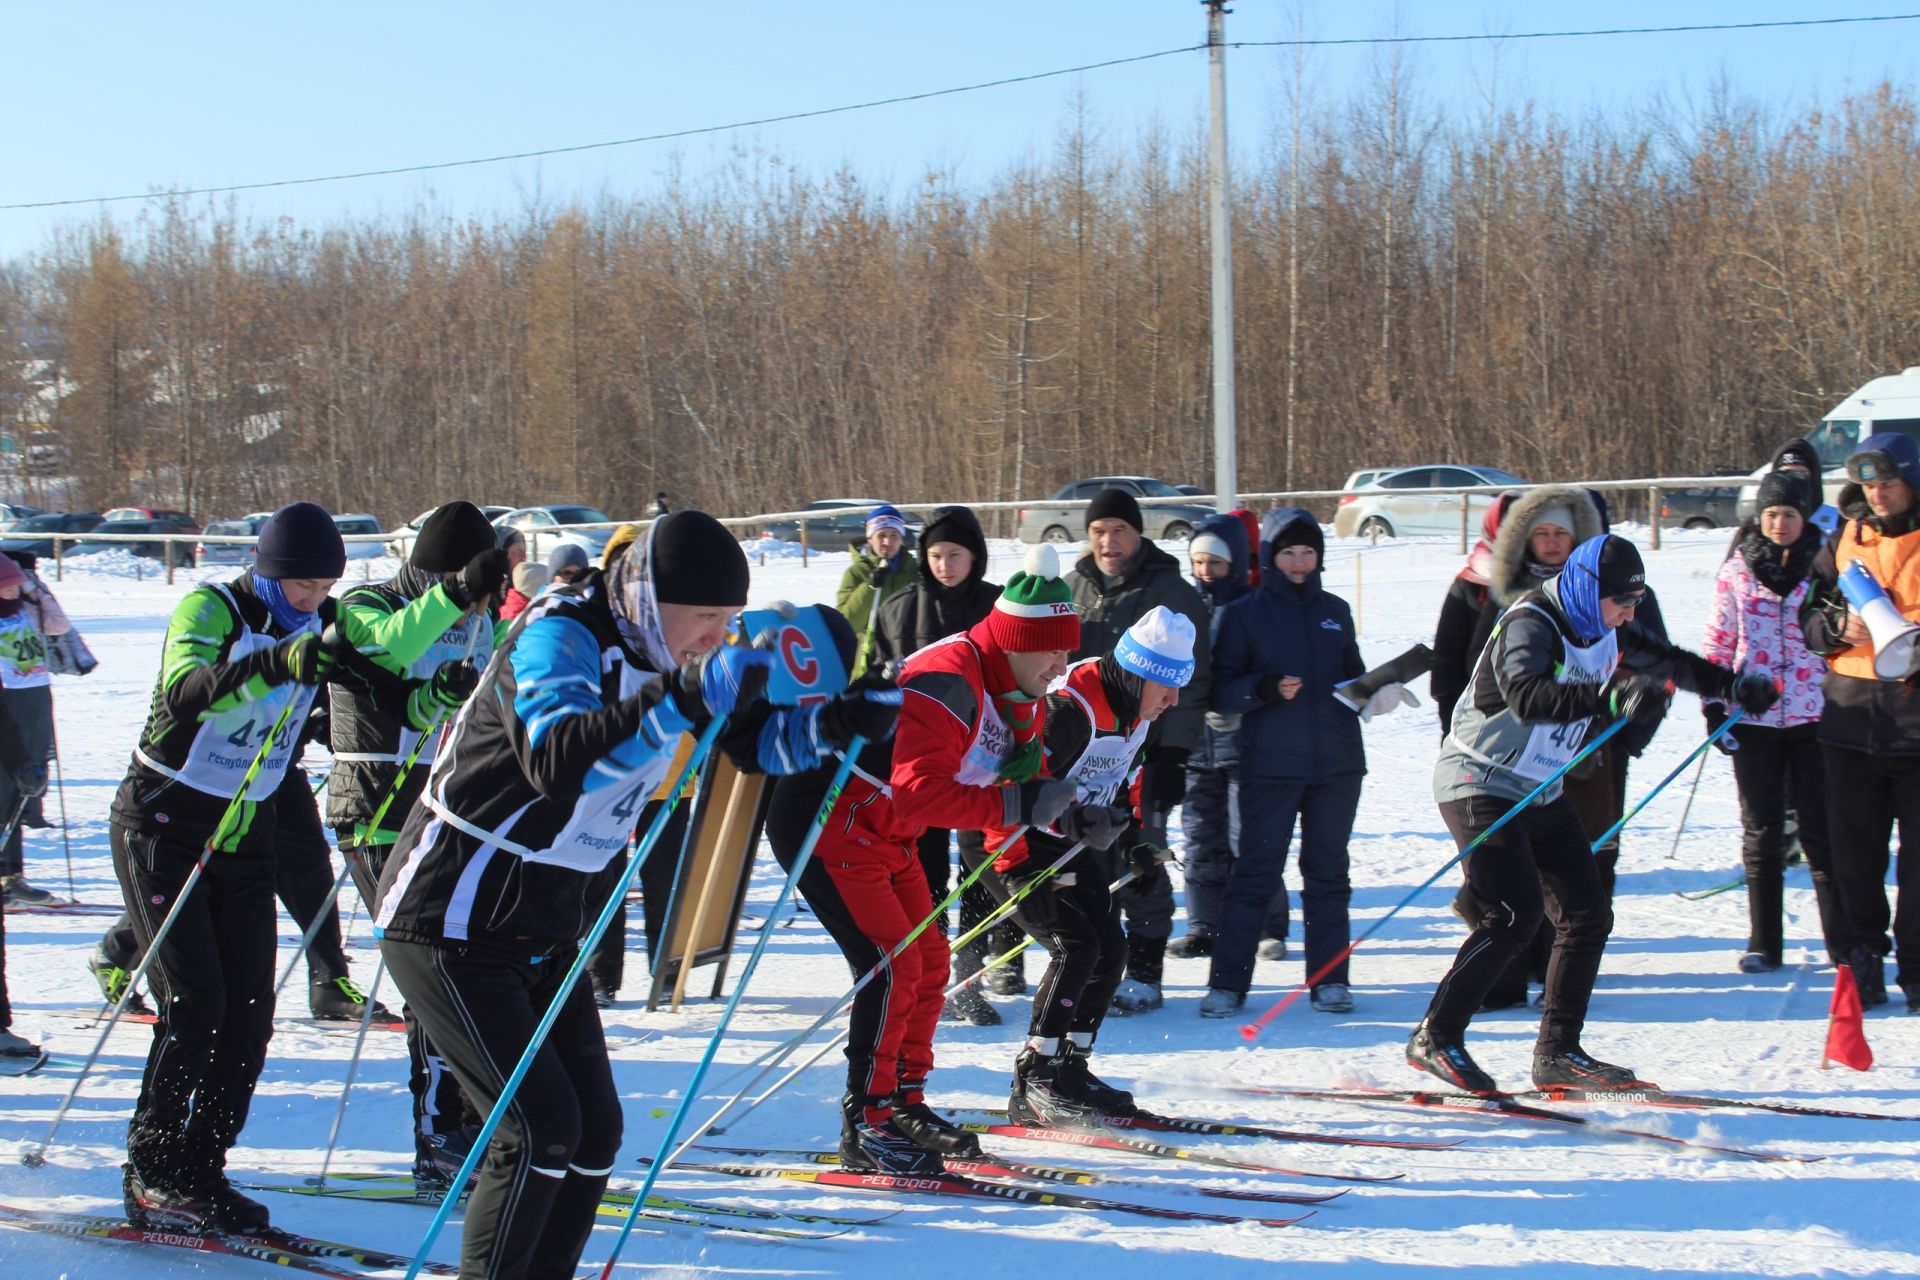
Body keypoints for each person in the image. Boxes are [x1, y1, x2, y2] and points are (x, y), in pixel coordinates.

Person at [373, 510, 899, 1280]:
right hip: (451, 914)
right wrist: (685, 698)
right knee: (538, 1130)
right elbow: (557, 758)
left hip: (545, 927)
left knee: (594, 1136)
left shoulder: (669, 652)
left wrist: (837, 724)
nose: (715, 636)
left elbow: (750, 745)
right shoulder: (563, 631)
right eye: (704, 618)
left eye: (729, 621)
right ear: (652, 597)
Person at [111, 502, 441, 1232]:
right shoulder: (215, 606)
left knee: (251, 1014)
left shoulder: (322, 623)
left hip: (246, 831)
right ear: (270, 570)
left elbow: (385, 688)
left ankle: (204, 1165)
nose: (315, 599)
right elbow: (184, 691)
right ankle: (153, 1169)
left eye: (327, 586)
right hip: (165, 821)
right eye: (303, 586)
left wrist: (434, 694)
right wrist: (277, 663)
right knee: (196, 1006)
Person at [1408, 533, 1779, 1093]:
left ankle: (1558, 1053)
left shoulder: (1602, 626)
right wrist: (1608, 701)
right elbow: (1527, 695)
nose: (1629, 614)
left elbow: (1671, 661)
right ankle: (1436, 1036)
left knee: (1587, 912)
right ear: (1587, 589)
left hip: (1540, 787)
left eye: (1635, 602)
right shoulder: (1532, 621)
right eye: (1621, 602)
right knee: (1513, 914)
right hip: (1479, 778)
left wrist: (1732, 686)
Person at [765, 544, 1090, 1176]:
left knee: (929, 960)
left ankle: (901, 1102)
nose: (1061, 666)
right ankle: (866, 1121)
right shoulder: (949, 681)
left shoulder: (1009, 686)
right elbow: (924, 789)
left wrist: (1072, 814)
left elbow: (1015, 774)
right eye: (1053, 651)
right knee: (889, 966)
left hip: (886, 829)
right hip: (830, 820)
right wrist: (1023, 802)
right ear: (1018, 641)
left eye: (1067, 651)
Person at [326, 499, 506, 1187]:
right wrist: (457, 595)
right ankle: (438, 1135)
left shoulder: (481, 620)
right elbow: (393, 646)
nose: (465, 611)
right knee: (432, 973)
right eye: (455, 590)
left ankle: (468, 1120)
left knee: (465, 969)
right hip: (375, 809)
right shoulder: (368, 603)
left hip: (449, 814)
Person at [1202, 508, 1414, 1016]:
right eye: (1288, 552)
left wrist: (1373, 694)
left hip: (1337, 766)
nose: (1298, 562)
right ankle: (1228, 984)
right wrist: (1264, 689)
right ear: (1270, 557)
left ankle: (1329, 981)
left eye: (1307, 552)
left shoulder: (1335, 610)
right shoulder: (1241, 613)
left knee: (1328, 875)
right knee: (1255, 872)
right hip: (1269, 766)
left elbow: (1351, 676)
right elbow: (1219, 691)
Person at [993, 606, 1192, 1122]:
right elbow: (1009, 787)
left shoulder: (1136, 714)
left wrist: (1136, 843)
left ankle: (1069, 1069)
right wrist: (1013, 865)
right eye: (1165, 687)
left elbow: (1125, 777)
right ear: (1134, 674)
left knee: (1110, 948)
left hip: (1067, 843)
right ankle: (1033, 1079)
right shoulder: (1071, 709)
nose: (1174, 701)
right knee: (1075, 946)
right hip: (1010, 842)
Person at [1432, 486, 1604, 1009]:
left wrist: (1623, 729)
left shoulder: (1605, 592)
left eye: (1561, 534)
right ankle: (1498, 983)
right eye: (1541, 533)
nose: (1551, 544)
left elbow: (1640, 662)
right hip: (1496, 756)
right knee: (1506, 887)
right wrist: (1457, 736)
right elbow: (1458, 669)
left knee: (1574, 881)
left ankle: (1553, 981)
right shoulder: (1496, 589)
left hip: (1578, 750)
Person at [1066, 487, 1211, 1015]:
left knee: (1141, 853)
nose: (1108, 541)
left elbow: (1192, 687)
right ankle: (1091, 966)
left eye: (1119, 530)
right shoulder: (1073, 586)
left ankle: (1147, 972)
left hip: (1146, 752)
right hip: (1082, 749)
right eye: (1099, 531)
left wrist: (1172, 755)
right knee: (1083, 861)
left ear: (1139, 532)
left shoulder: (1169, 592)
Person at [867, 504, 1013, 1026]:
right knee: (921, 872)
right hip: (920, 762)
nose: (945, 564)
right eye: (935, 555)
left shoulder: (999, 608)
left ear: (975, 556)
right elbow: (875, 681)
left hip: (985, 755)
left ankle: (971, 971)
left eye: (955, 554)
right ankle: (925, 973)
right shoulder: (898, 608)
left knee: (980, 867)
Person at [1701, 471, 1842, 973]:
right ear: (1758, 518)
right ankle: (1764, 942)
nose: (1780, 523)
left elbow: (1841, 636)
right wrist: (1715, 703)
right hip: (1754, 717)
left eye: (1789, 514)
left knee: (1822, 831)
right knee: (1761, 830)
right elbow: (1719, 640)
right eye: (1771, 514)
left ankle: (1841, 941)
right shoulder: (1737, 569)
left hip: (1815, 715)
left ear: (1805, 518)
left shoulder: (1826, 563)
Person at [1801, 433, 1920, 1013]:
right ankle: (1863, 957)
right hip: (1849, 722)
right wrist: (1833, 629)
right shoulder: (1844, 536)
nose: (1877, 494)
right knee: (1855, 855)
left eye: (1888, 483)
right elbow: (1808, 616)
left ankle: (1918, 969)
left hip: (1916, 724)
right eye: (1869, 484)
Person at [1169, 512, 1289, 961]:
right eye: (1198, 562)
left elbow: (1266, 675)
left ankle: (1268, 926)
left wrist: (1240, 701)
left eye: (1214, 564)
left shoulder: (1256, 609)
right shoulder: (1184, 608)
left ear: (1235, 564)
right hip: (1197, 746)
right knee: (1200, 838)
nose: (1205, 571)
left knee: (1249, 840)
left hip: (1247, 747)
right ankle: (1203, 925)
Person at [0, 552, 59, 905]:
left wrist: (37, 594)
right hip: (7, 707)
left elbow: (59, 624)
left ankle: (13, 875)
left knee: (20, 790)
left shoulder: (23, 611)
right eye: (6, 587)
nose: (13, 592)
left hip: (29, 706)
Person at [837, 504, 921, 677]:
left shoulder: (914, 572)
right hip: (867, 661)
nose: (887, 542)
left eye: (894, 535)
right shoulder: (856, 573)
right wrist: (869, 587)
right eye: (881, 535)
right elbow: (847, 624)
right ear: (870, 538)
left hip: (908, 658)